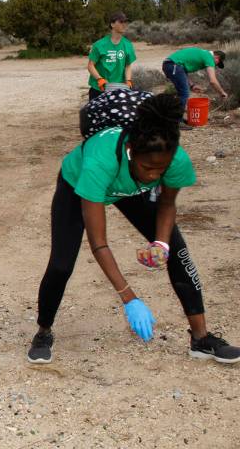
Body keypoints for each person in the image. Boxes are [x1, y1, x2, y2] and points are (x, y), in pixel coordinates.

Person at [27, 94, 240, 365]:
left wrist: (161, 245)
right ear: (130, 150)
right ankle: (44, 331)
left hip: (128, 187)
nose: (154, 175)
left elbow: (166, 204)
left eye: (160, 169)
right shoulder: (100, 161)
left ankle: (201, 339)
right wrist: (129, 298)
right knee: (61, 264)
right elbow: (99, 242)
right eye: (148, 167)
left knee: (179, 252)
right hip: (78, 183)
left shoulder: (174, 159)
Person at [87, 12, 136, 101]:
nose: (124, 24)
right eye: (121, 22)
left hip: (118, 89)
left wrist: (128, 80)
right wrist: (100, 79)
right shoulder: (99, 44)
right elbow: (90, 65)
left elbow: (128, 65)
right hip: (99, 89)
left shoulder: (128, 45)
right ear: (112, 24)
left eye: (125, 22)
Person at [162, 47, 228, 109]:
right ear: (217, 57)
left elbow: (183, 71)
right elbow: (213, 81)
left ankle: (174, 114)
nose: (215, 65)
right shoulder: (209, 57)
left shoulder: (204, 53)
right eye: (217, 63)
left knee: (181, 93)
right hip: (173, 65)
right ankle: (177, 118)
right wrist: (222, 93)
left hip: (170, 65)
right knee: (184, 94)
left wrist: (192, 85)